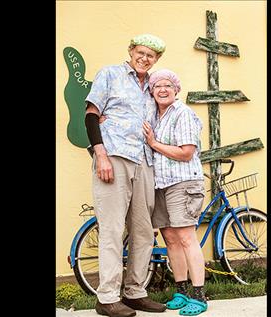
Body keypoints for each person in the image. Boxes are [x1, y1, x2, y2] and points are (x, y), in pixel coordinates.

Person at [84, 34, 167, 317]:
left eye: (151, 56)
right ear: (131, 51)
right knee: (111, 229)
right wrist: (101, 154)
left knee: (144, 231)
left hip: (144, 161)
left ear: (157, 60)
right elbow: (92, 114)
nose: (145, 58)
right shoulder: (110, 74)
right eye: (141, 52)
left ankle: (134, 292)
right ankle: (107, 297)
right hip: (115, 157)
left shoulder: (153, 87)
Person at [142, 69, 208, 316]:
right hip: (161, 184)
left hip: (182, 183)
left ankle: (199, 294)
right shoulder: (156, 116)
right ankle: (180, 290)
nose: (162, 89)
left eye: (168, 85)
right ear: (152, 91)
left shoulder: (183, 113)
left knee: (185, 237)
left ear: (176, 90)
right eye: (157, 85)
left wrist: (154, 144)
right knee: (170, 239)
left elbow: (186, 152)